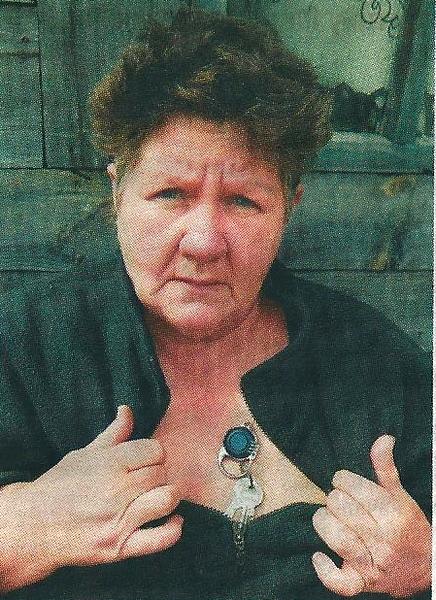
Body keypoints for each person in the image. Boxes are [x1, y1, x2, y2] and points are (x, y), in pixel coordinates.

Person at [0, 8, 431, 600]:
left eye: (243, 201)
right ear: (118, 191)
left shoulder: (370, 358)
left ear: (288, 209)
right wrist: (21, 531)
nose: (204, 241)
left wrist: (426, 568)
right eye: (170, 193)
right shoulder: (25, 345)